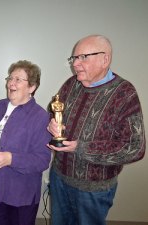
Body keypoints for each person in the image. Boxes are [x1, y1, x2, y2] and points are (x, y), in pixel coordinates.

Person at [47, 34, 146, 225]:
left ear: (105, 59)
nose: (75, 64)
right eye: (74, 58)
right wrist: (51, 122)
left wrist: (81, 148)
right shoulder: (71, 84)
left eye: (83, 57)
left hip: (93, 190)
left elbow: (135, 148)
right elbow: (53, 110)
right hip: (59, 177)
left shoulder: (125, 93)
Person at [0, 60, 52, 225]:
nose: (11, 83)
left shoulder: (40, 117)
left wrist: (10, 159)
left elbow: (42, 160)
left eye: (18, 79)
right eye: (10, 78)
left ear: (32, 87)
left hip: (21, 190)